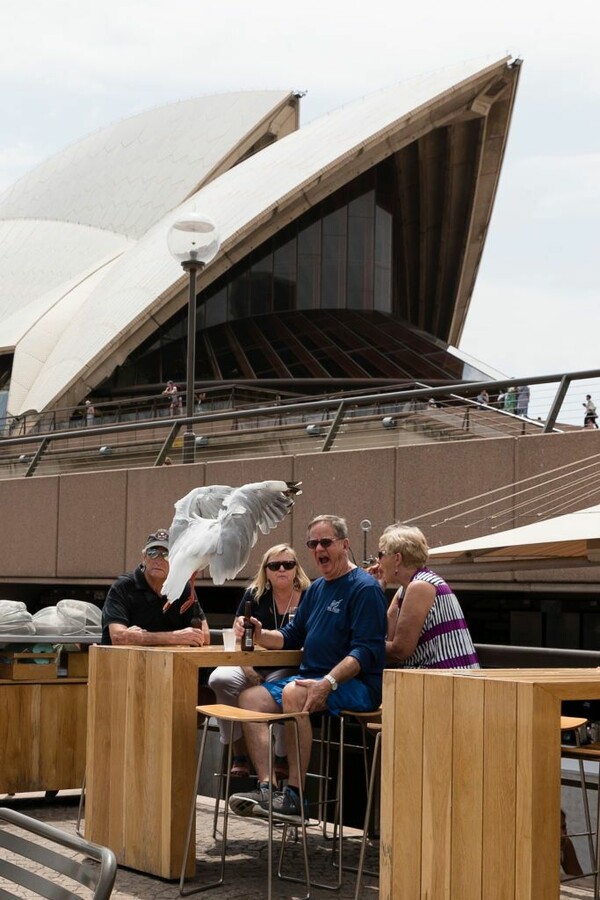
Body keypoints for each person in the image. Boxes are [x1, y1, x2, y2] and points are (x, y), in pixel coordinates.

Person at [228, 514, 387, 823]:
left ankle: (295, 797)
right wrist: (260, 634)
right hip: (310, 678)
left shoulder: (364, 589)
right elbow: (291, 636)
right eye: (312, 544)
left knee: (292, 692)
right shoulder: (315, 590)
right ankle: (267, 787)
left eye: (325, 542)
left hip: (356, 686)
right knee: (250, 699)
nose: (318, 550)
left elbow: (366, 651)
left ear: (344, 544)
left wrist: (327, 682)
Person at [208, 543, 311, 779]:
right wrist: (249, 670)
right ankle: (238, 751)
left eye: (288, 564)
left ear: (297, 568)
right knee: (219, 679)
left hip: (289, 665)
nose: (282, 569)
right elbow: (238, 637)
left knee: (286, 687)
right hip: (252, 662)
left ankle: (282, 754)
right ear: (266, 570)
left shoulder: (309, 595)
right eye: (275, 565)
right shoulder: (254, 594)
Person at [372, 523, 478, 669]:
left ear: (397, 559)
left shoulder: (420, 586)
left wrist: (352, 645)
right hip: (436, 679)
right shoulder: (407, 588)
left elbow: (399, 650)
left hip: (447, 680)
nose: (377, 561)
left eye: (380, 554)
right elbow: (386, 637)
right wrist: (374, 590)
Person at [102, 528, 210, 646]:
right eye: (152, 553)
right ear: (144, 558)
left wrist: (139, 638)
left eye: (166, 555)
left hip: (169, 662)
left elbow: (204, 636)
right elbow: (119, 637)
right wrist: (175, 638)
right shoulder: (123, 587)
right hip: (125, 662)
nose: (158, 560)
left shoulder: (183, 588)